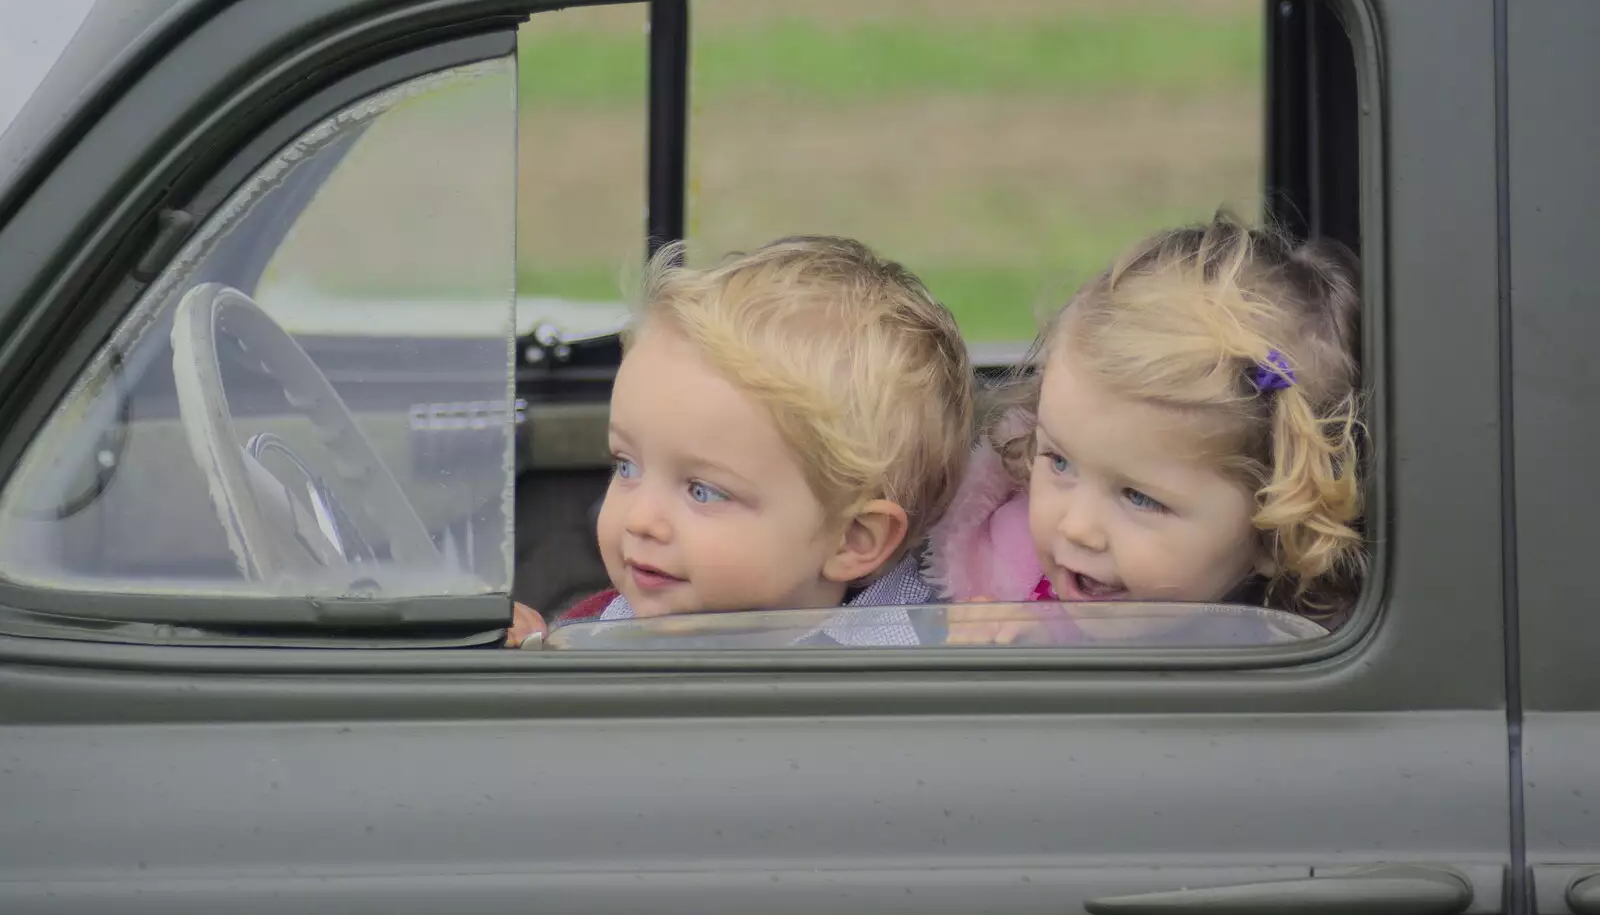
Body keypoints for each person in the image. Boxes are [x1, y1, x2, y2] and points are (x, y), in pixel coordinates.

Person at [509, 235, 973, 647]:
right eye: (627, 466)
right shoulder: (594, 631)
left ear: (851, 539)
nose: (640, 519)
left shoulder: (930, 669)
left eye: (703, 491)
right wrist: (530, 660)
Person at [925, 213, 1367, 645]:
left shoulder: (1307, 664)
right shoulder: (1000, 571)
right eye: (1059, 461)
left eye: (1139, 498)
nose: (1077, 527)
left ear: (1275, 533)